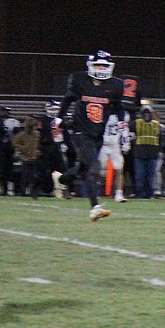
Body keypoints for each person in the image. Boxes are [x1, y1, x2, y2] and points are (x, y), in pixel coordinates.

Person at [59, 50, 125, 221]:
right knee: (94, 167)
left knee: (82, 170)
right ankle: (95, 207)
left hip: (98, 133)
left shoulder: (115, 85)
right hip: (81, 131)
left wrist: (121, 121)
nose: (101, 68)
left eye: (104, 65)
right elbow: (67, 100)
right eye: (98, 65)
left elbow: (118, 106)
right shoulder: (80, 80)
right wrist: (59, 117)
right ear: (90, 66)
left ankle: (62, 179)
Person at [131, 105, 160, 199]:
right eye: (145, 113)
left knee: (151, 177)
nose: (146, 115)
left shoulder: (156, 124)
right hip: (140, 154)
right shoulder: (136, 123)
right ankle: (139, 194)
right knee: (139, 177)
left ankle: (149, 195)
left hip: (152, 154)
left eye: (148, 113)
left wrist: (160, 150)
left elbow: (161, 138)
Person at [99, 112, 128, 203]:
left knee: (119, 169)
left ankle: (119, 194)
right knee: (100, 171)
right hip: (102, 144)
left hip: (115, 145)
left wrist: (125, 143)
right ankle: (97, 190)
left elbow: (124, 131)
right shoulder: (102, 113)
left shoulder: (122, 115)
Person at [11, 117, 40, 198]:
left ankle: (33, 192)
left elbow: (41, 145)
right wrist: (22, 148)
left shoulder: (37, 135)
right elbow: (14, 143)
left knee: (34, 177)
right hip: (25, 158)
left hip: (35, 158)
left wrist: (38, 152)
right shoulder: (21, 135)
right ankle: (22, 191)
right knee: (24, 177)